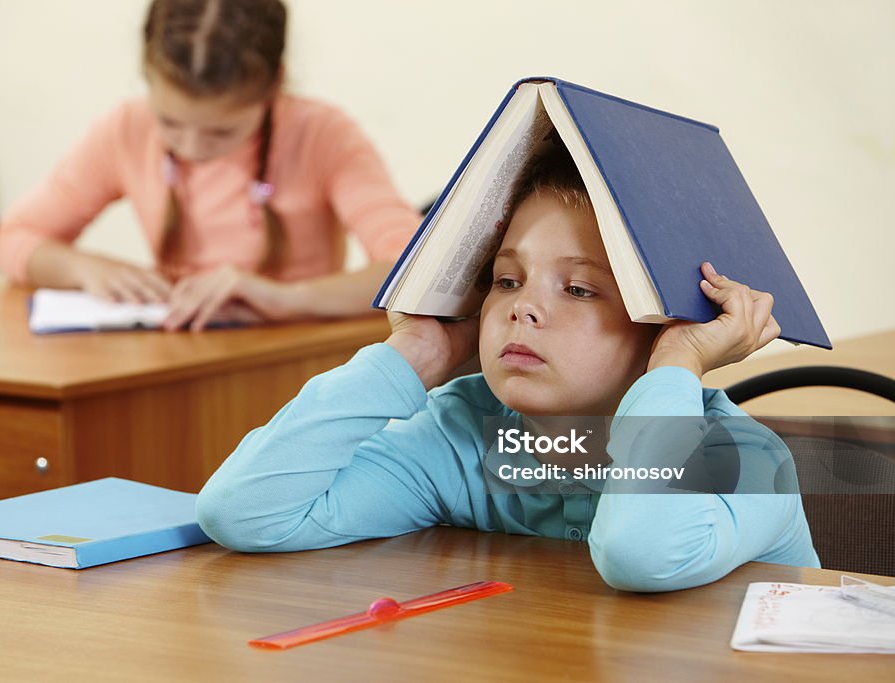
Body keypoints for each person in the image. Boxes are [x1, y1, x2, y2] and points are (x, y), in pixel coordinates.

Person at [195, 142, 819, 592]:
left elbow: (641, 553)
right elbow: (247, 511)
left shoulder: (744, 457)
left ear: (667, 321)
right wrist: (415, 357)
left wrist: (677, 366)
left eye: (578, 289)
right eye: (506, 279)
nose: (523, 308)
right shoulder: (463, 436)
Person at [0, 0, 420, 331]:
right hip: (177, 362)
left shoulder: (322, 134)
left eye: (222, 133)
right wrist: (84, 268)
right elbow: (13, 239)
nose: (193, 147)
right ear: (147, 77)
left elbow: (413, 268)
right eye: (171, 123)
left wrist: (286, 299)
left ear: (274, 85)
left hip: (294, 369)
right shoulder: (127, 129)